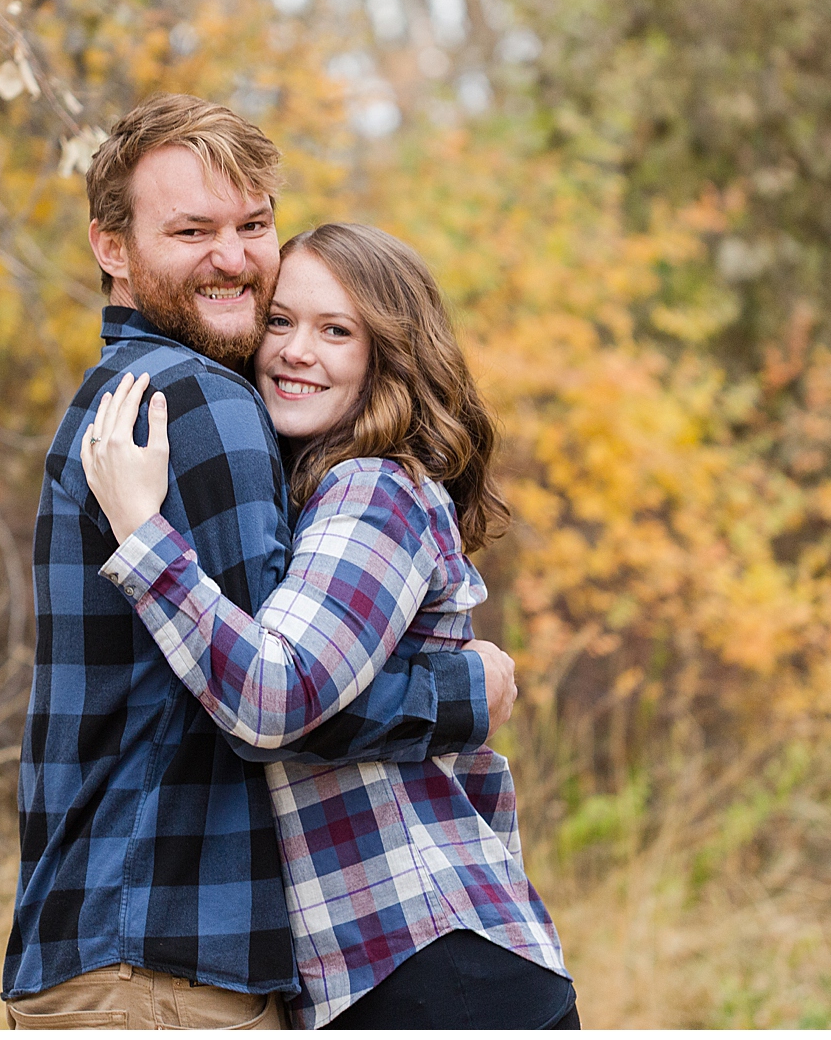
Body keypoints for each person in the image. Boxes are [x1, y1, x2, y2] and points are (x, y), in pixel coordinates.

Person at [3, 96, 519, 1030]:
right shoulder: (202, 404)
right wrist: (462, 693)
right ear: (111, 247)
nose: (234, 257)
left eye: (253, 224)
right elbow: (274, 704)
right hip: (166, 962)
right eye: (192, 229)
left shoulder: (120, 395)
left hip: (109, 947)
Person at [80, 222, 575, 1029]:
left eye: (335, 330)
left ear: (388, 356)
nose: (294, 350)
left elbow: (275, 698)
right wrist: (459, 690)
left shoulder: (374, 490)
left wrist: (143, 537)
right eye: (280, 321)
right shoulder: (309, 500)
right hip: (386, 970)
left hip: (431, 959)